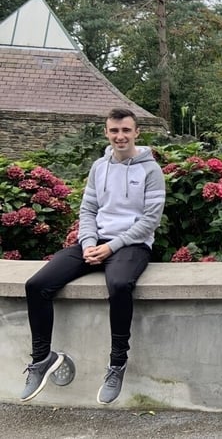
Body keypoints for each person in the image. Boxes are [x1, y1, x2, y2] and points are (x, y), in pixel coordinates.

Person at [21, 108, 166, 404]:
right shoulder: (100, 167)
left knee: (120, 285)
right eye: (114, 131)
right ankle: (41, 359)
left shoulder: (150, 170)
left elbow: (150, 221)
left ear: (137, 132)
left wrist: (112, 247)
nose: (120, 136)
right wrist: (88, 242)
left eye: (126, 130)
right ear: (106, 133)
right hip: (94, 241)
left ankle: (117, 363)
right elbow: (88, 210)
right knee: (36, 286)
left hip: (132, 245)